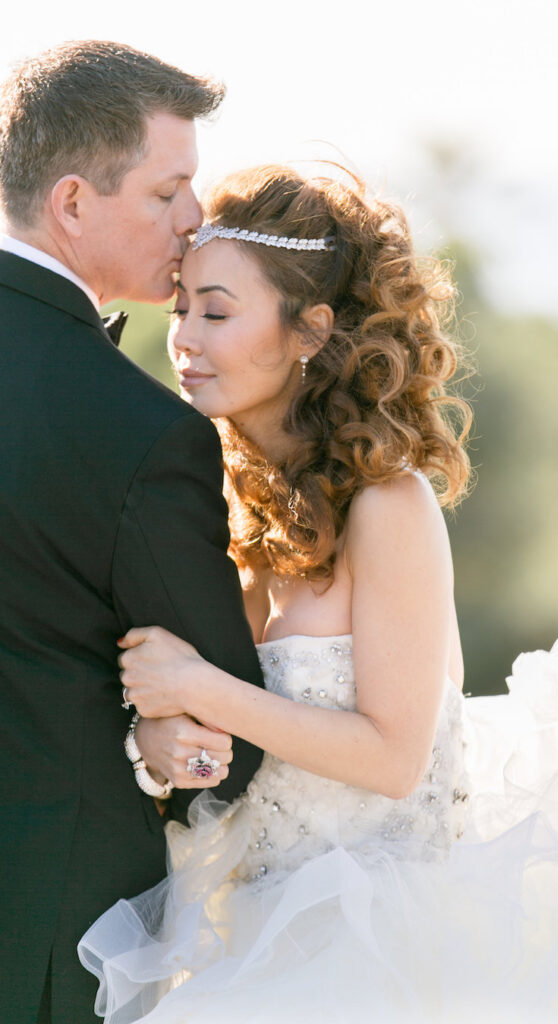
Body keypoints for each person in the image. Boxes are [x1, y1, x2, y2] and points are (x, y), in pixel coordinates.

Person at [79, 165, 558, 1023]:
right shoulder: (234, 507)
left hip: (375, 946)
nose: (182, 337)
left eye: (215, 311)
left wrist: (197, 688)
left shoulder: (388, 504)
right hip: (249, 933)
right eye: (179, 309)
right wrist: (171, 739)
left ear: (309, 332)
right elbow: (240, 759)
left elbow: (392, 759)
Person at [0, 42, 266, 1024]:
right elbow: (226, 743)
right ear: (73, 203)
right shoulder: (143, 434)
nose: (194, 218)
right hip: (45, 945)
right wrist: (152, 753)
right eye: (169, 191)